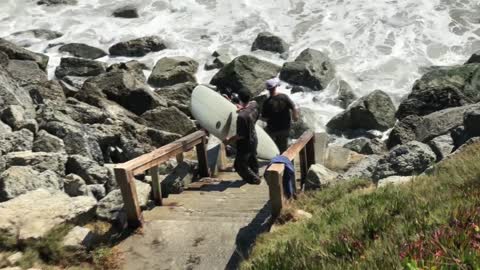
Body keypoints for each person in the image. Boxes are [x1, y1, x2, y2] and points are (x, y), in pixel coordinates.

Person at [224, 89, 261, 185]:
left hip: (245, 143)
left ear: (239, 99)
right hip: (254, 137)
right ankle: (256, 174)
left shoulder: (241, 117)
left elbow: (240, 135)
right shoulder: (254, 105)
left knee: (239, 165)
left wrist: (228, 140)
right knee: (252, 158)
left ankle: (254, 179)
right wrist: (242, 108)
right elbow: (252, 114)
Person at [261, 78, 299, 153]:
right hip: (285, 127)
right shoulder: (284, 97)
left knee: (275, 149)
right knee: (285, 148)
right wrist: (295, 117)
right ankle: (287, 162)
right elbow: (293, 107)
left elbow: (265, 118)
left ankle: (277, 162)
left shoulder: (266, 103)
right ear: (275, 87)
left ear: (268, 89)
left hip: (273, 130)